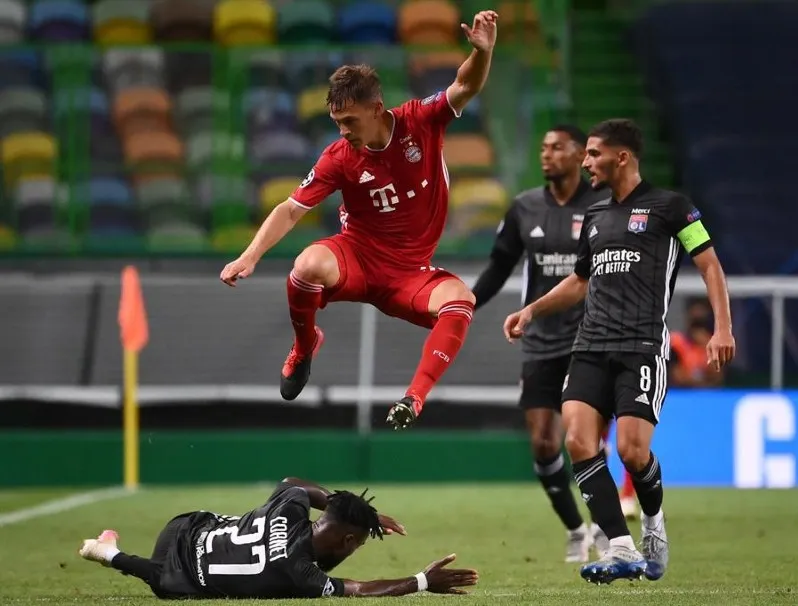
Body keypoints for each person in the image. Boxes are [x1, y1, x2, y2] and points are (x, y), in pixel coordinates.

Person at [219, 11, 499, 431]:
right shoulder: (338, 157)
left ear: (377, 109)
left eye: (350, 121)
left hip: (409, 274)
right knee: (307, 265)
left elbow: (465, 85)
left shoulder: (419, 121)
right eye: (337, 123)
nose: (343, 131)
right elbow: (291, 208)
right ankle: (305, 345)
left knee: (461, 300)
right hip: (359, 258)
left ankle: (414, 398)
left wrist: (483, 52)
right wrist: (250, 256)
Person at [502, 119, 735, 584]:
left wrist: (722, 328)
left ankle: (653, 524)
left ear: (621, 157)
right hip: (589, 345)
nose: (585, 162)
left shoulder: (673, 209)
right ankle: (621, 547)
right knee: (578, 442)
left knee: (631, 451)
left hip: (643, 347)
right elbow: (580, 281)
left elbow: (709, 265)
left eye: (592, 154)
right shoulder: (596, 216)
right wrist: (532, 310)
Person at [472, 125, 611, 563]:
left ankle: (609, 528)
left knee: (581, 434)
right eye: (543, 148)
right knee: (543, 442)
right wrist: (466, 305)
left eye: (557, 148)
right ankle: (576, 528)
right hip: (539, 341)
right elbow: (499, 265)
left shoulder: (603, 207)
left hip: (589, 338)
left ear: (578, 155)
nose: (547, 155)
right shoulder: (524, 207)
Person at [78, 477, 478, 599]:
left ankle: (109, 549)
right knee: (170, 586)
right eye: (359, 540)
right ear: (349, 540)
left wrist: (363, 514)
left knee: (176, 574)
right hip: (175, 570)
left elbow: (294, 483)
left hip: (184, 524)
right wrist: (423, 581)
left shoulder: (293, 505)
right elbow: (358, 588)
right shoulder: (300, 570)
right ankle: (108, 553)